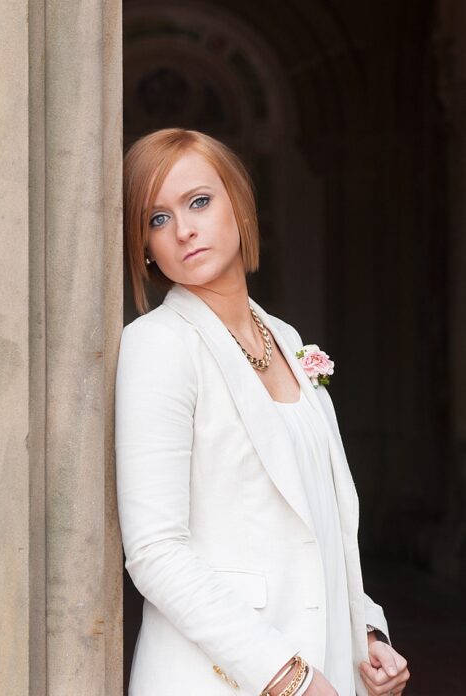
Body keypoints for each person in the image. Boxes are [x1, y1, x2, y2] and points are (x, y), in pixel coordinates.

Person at [115, 129, 410, 696]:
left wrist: (366, 635)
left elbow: (320, 520)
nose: (183, 229)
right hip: (218, 678)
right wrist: (287, 676)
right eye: (157, 218)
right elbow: (154, 551)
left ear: (240, 207)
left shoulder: (285, 337)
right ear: (145, 245)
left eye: (199, 201)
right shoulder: (157, 345)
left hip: (324, 664)